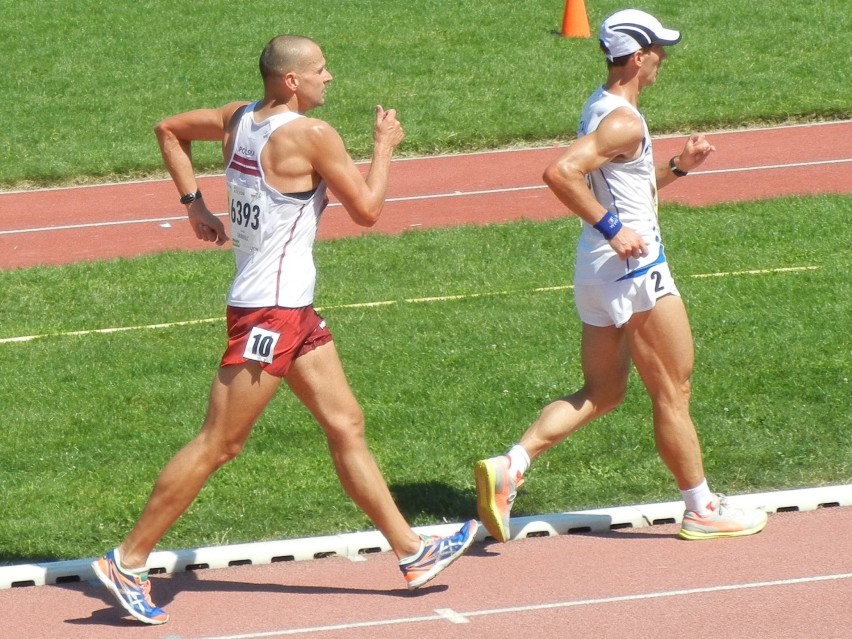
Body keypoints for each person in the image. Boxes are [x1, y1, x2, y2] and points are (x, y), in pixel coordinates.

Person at [93, 34, 476, 626]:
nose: (331, 77)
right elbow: (369, 210)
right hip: (268, 314)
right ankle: (128, 559)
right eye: (322, 70)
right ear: (292, 80)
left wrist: (194, 204)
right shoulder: (312, 135)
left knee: (345, 422)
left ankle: (412, 552)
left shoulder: (236, 118)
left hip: (290, 309)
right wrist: (383, 146)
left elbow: (167, 129)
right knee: (220, 442)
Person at [474, 9, 768, 544]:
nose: (663, 60)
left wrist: (678, 167)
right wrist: (613, 228)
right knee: (673, 389)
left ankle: (510, 466)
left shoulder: (603, 107)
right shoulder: (623, 120)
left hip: (598, 271)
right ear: (637, 57)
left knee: (603, 391)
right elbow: (559, 172)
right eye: (658, 51)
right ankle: (701, 508)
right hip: (636, 273)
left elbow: (628, 187)